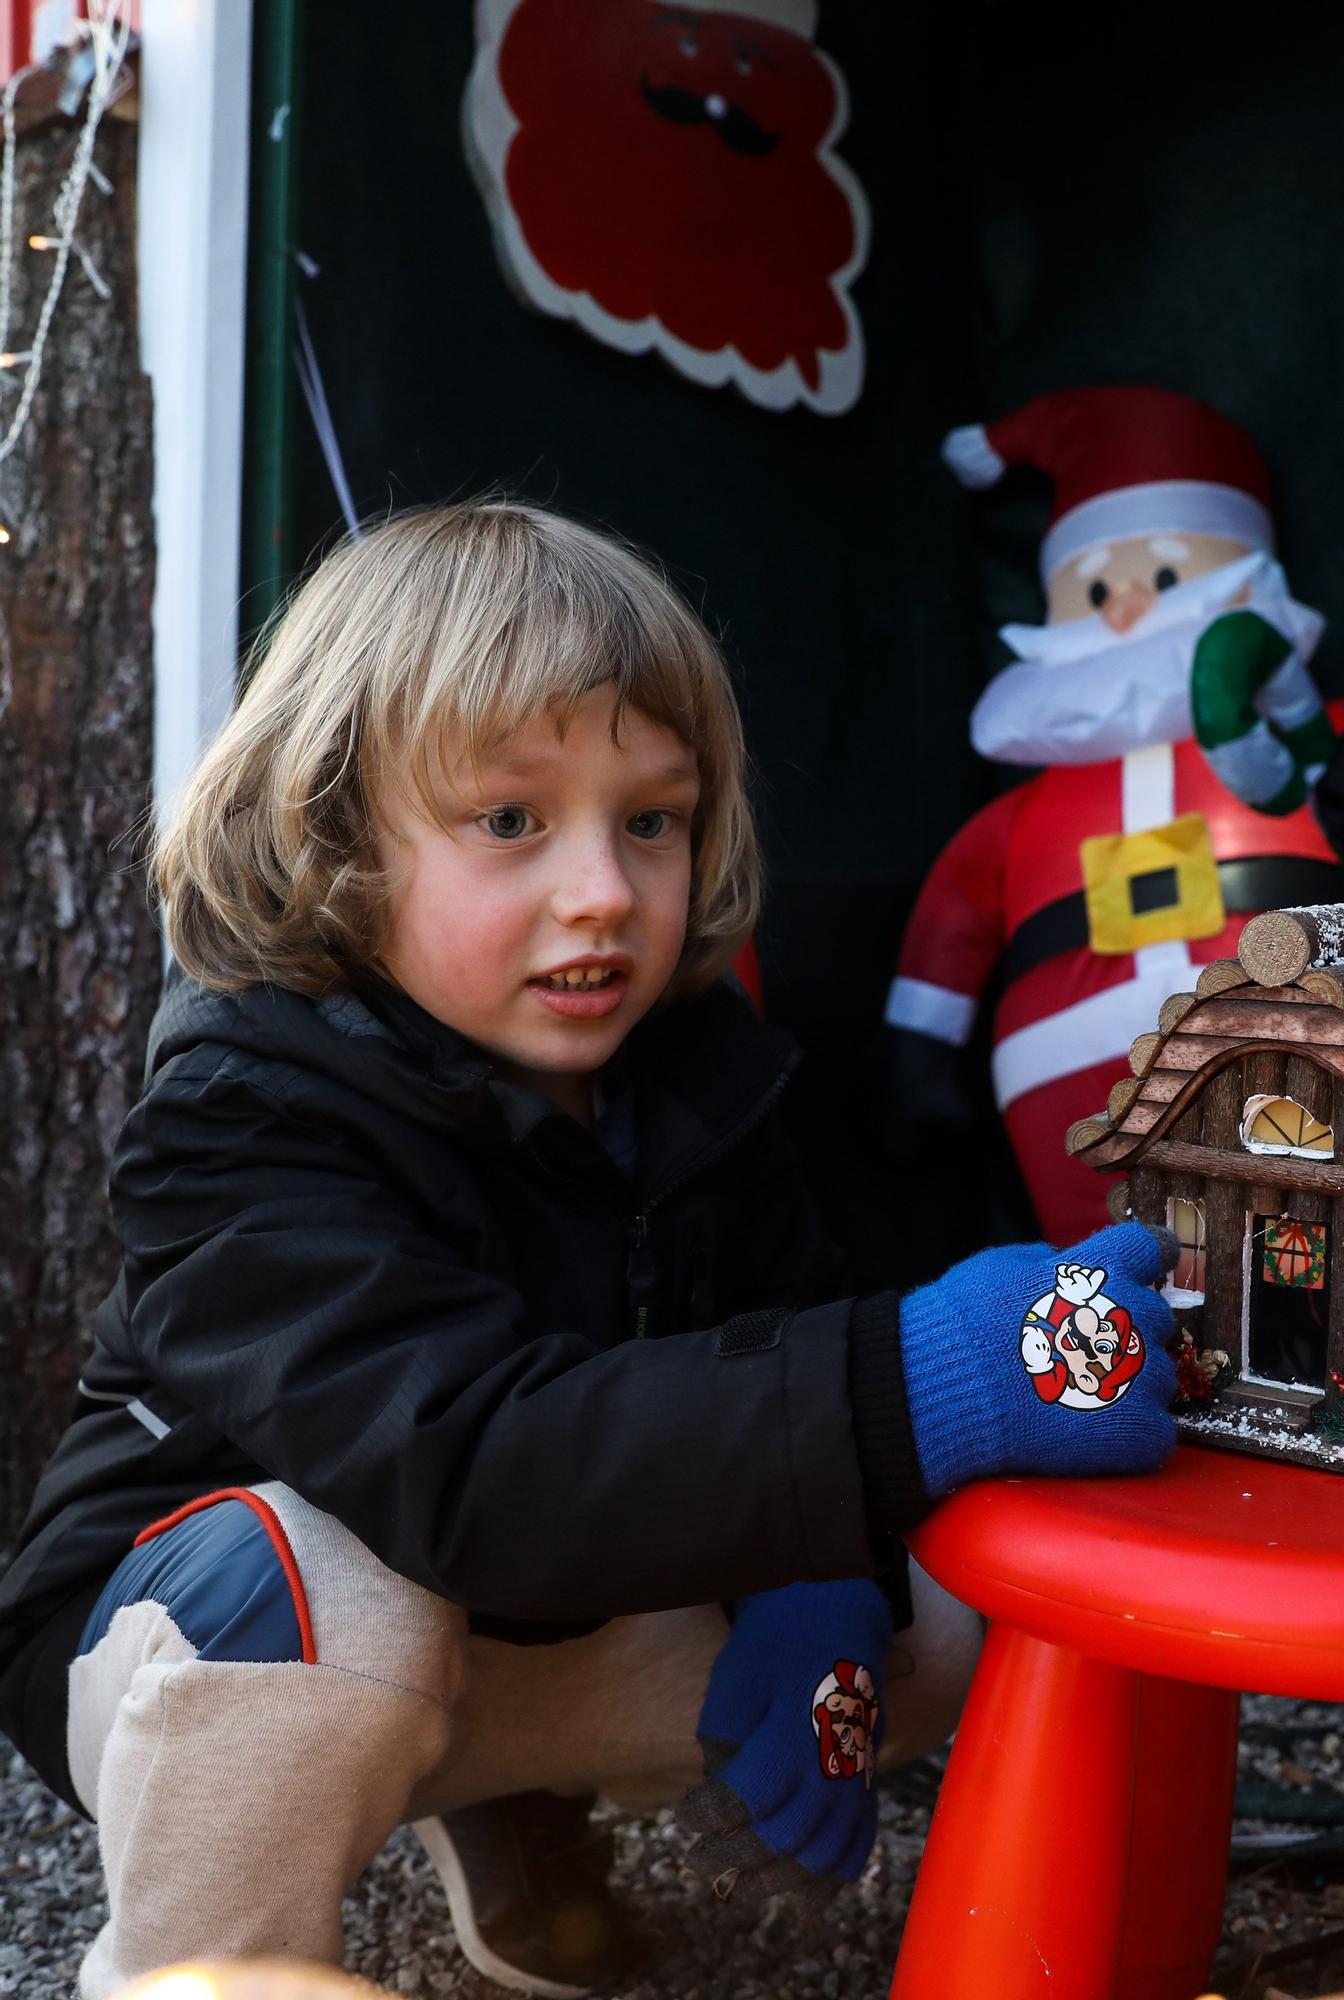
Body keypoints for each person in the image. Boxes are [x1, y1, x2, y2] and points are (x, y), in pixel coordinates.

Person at [0, 503, 1179, 1999]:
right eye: (509, 821)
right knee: (342, 1606)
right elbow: (475, 1465)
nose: (605, 892)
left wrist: (819, 1571)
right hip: (192, 1644)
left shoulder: (695, 1069)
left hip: (510, 1608)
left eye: (651, 818)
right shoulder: (242, 1115)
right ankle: (201, 1969)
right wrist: (914, 1379)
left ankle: (506, 1803)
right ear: (341, 841)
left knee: (947, 1591)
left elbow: (775, 1322)